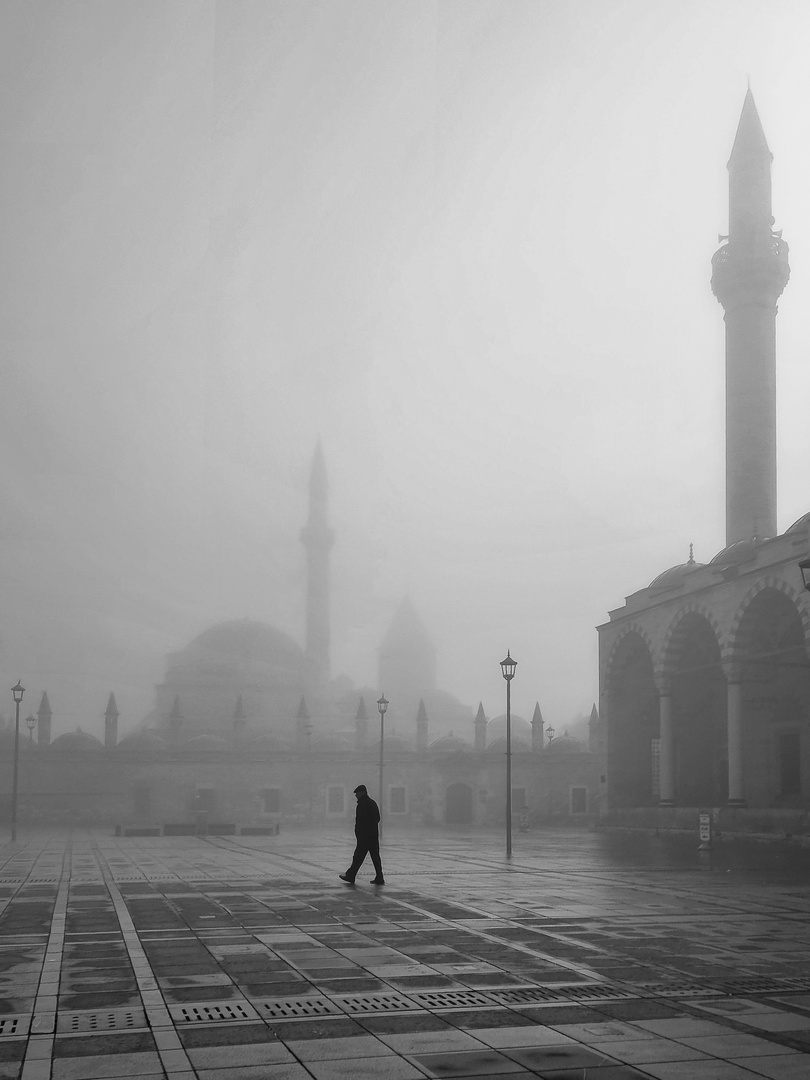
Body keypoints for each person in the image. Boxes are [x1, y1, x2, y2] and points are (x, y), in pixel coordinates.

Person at [339, 784, 385, 885]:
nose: (356, 795)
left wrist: (360, 832)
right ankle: (379, 877)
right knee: (375, 857)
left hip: (365, 836)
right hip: (372, 835)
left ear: (362, 793)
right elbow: (377, 818)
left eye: (357, 793)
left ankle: (351, 875)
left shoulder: (363, 804)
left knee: (358, 856)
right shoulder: (372, 803)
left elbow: (360, 821)